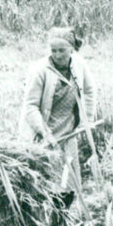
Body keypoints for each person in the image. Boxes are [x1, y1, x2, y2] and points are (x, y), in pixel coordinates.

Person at [19, 27, 97, 195]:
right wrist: (45, 133)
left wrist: (87, 121)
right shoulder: (40, 70)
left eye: (62, 50)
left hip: (68, 131)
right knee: (44, 180)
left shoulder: (79, 65)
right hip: (42, 132)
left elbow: (89, 91)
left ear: (72, 50)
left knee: (68, 182)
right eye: (54, 50)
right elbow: (30, 106)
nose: (57, 54)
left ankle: (65, 211)